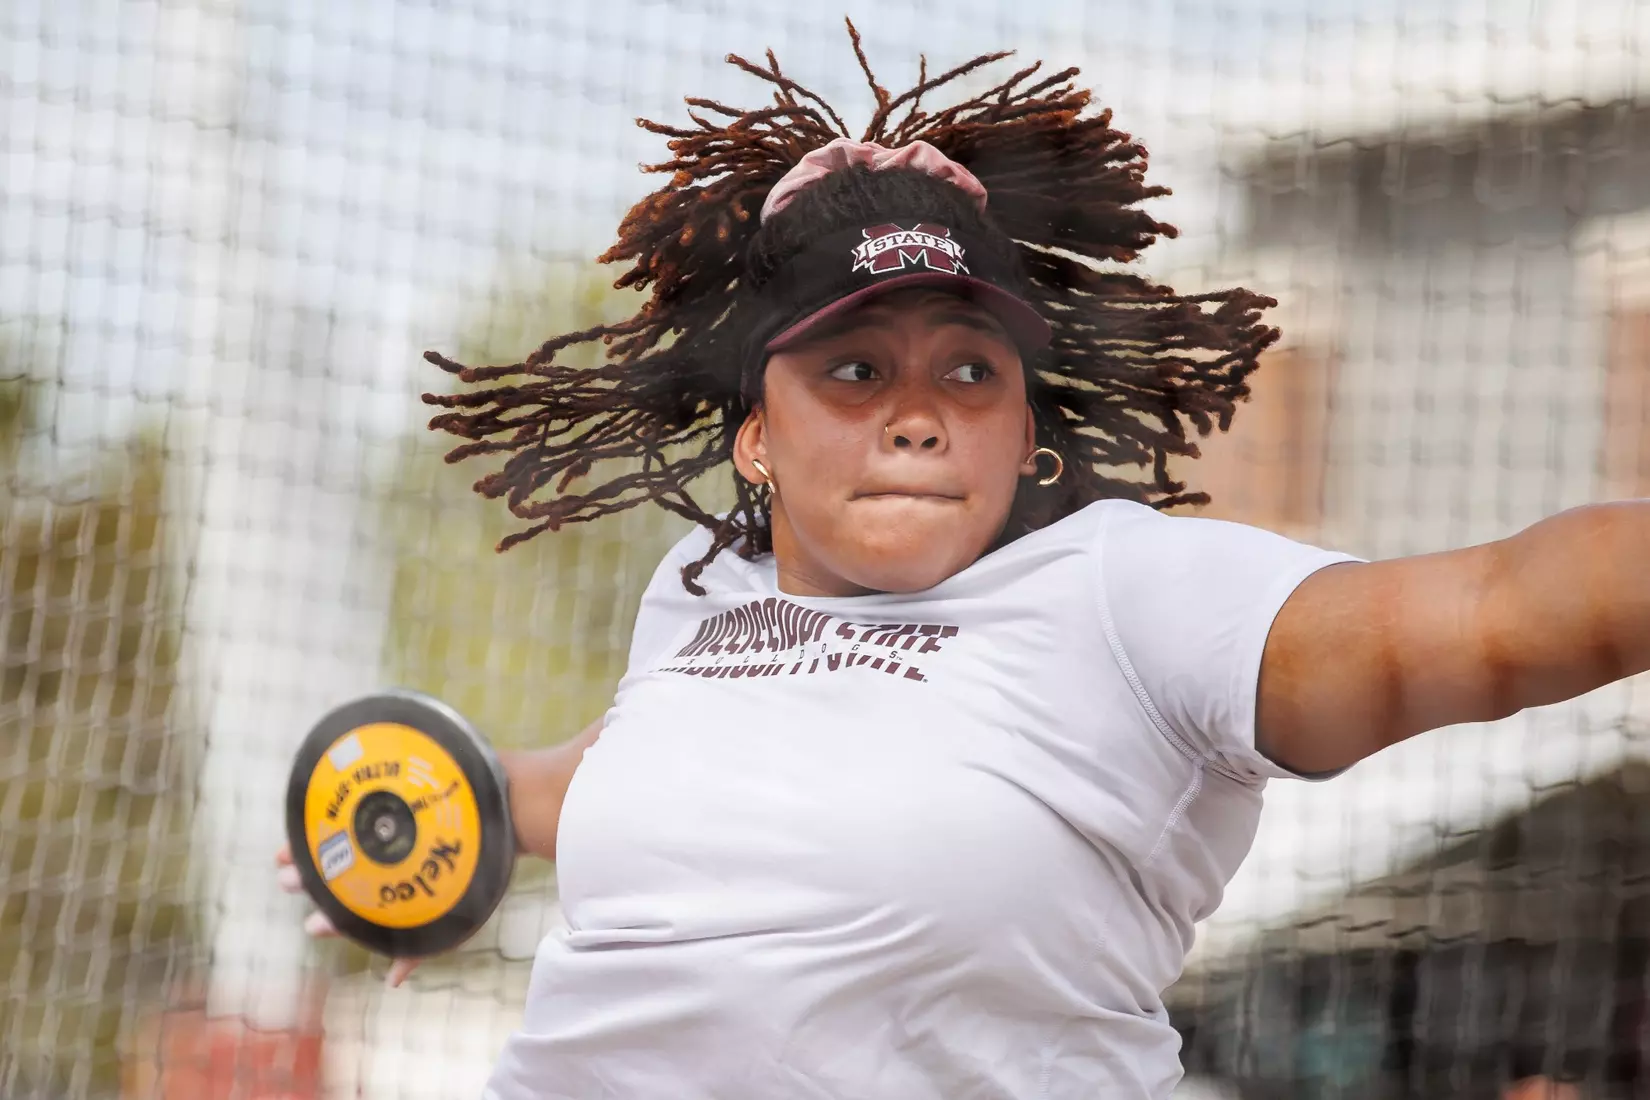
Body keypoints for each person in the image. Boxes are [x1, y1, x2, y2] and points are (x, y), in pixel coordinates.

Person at [276, 28, 1650, 1100]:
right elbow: (657, 773)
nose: (917, 408)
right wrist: (469, 804)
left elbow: (1493, 612)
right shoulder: (702, 597)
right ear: (755, 434)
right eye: (854, 368)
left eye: (969, 369)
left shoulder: (1129, 598)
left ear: (1023, 427)